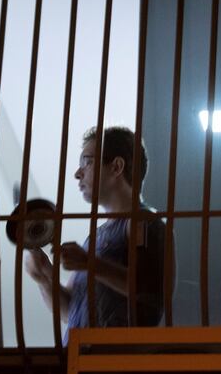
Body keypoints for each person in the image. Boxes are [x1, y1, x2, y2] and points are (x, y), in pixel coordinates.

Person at [23, 126, 166, 344]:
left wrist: (89, 263)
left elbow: (148, 288)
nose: (77, 173)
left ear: (116, 167)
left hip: (114, 359)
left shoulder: (144, 222)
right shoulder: (95, 237)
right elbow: (69, 310)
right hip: (79, 357)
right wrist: (44, 277)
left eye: (87, 162)